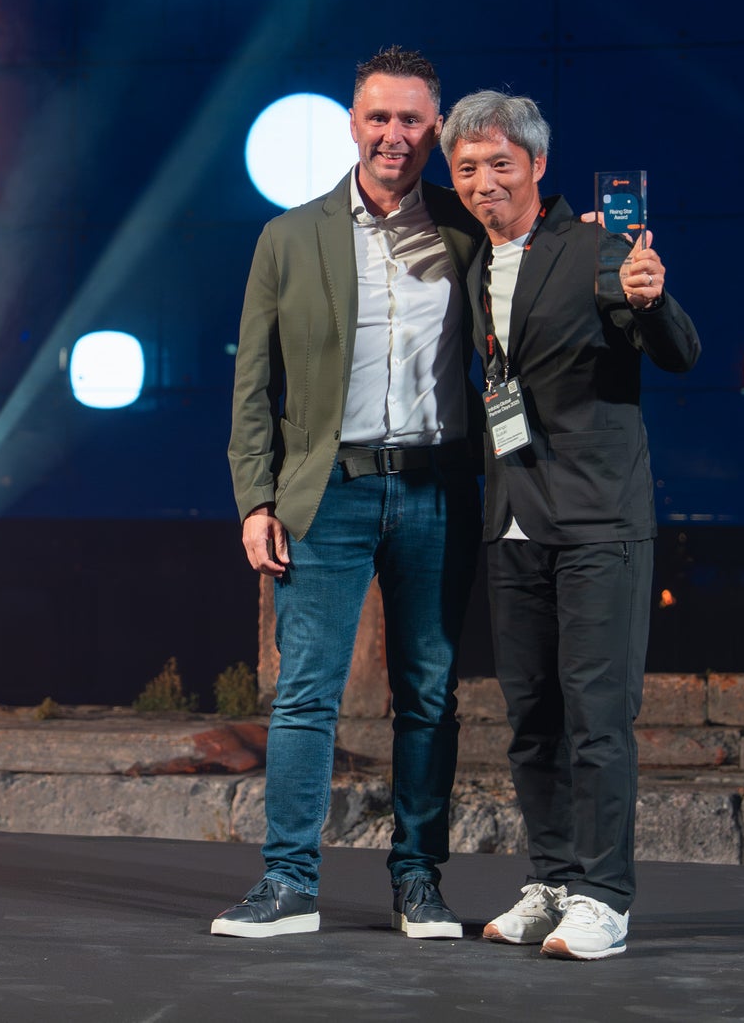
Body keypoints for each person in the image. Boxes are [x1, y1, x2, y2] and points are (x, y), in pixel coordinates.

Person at [218, 47, 483, 939]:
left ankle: (418, 882)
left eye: (411, 119)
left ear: (435, 130)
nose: (393, 135)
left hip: (437, 490)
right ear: (352, 124)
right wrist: (255, 501)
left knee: (429, 696)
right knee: (306, 695)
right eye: (379, 117)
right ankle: (289, 882)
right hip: (326, 493)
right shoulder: (289, 237)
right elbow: (253, 386)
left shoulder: (466, 231)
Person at [441, 89, 699, 960]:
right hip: (512, 519)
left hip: (597, 520)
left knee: (598, 718)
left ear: (537, 166)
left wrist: (652, 299)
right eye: (467, 168)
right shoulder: (472, 262)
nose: (484, 182)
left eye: (500, 164)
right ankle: (551, 881)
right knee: (531, 720)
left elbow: (679, 352)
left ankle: (604, 896)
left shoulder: (600, 248)